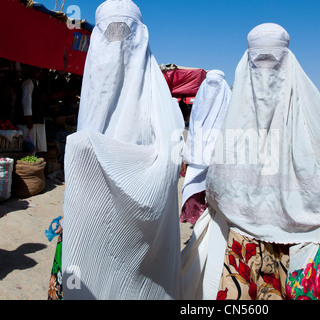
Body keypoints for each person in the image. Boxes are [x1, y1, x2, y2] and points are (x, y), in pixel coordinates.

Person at [181, 23, 320, 300]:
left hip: (296, 250)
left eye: (272, 62)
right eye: (257, 63)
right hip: (241, 243)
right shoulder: (237, 114)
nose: (264, 73)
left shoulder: (306, 109)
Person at [60, 0, 183, 300]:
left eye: (124, 33)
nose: (116, 44)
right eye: (109, 34)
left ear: (141, 37)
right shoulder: (92, 91)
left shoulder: (158, 103)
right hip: (88, 231)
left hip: (142, 246)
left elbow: (167, 167)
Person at [180, 70, 231, 226]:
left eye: (216, 85)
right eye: (209, 85)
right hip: (198, 160)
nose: (211, 91)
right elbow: (194, 132)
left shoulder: (230, 106)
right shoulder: (199, 106)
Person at [15, 66, 47, 155]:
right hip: (28, 122)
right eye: (37, 70)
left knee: (32, 147)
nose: (39, 73)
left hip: (33, 120)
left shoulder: (33, 82)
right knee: (28, 147)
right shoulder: (28, 82)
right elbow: (26, 101)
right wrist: (28, 119)